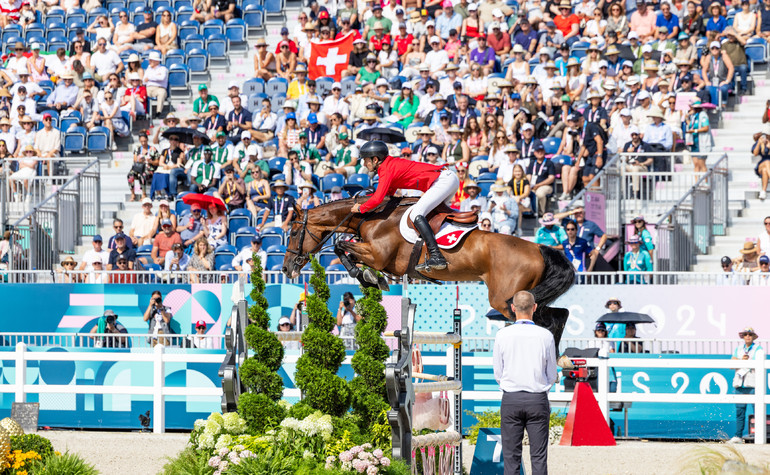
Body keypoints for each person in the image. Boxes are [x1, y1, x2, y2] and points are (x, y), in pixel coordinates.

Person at [350, 141, 460, 273]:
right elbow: (387, 194)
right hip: (446, 179)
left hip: (442, 181)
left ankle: (436, 256)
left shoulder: (386, 169)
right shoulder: (389, 165)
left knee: (416, 214)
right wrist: (364, 200)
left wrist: (361, 208)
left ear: (375, 159)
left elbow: (378, 198)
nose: (363, 164)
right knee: (432, 216)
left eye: (366, 160)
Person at [493, 290, 556, 475]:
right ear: (534, 307)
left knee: (511, 457)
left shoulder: (502, 335)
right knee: (538, 456)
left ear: (513, 308)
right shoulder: (545, 335)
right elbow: (551, 373)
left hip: (511, 398)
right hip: (537, 398)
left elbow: (498, 371)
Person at [731, 327, 762, 444]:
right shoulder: (738, 349)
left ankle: (758, 435)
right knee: (740, 411)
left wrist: (743, 361)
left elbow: (756, 363)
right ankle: (738, 436)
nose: (747, 336)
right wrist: (741, 360)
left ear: (753, 337)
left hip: (753, 383)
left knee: (757, 411)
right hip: (740, 383)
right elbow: (731, 364)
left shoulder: (758, 349)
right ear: (743, 337)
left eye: (750, 334)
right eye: (745, 334)